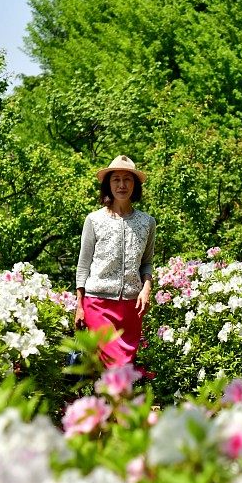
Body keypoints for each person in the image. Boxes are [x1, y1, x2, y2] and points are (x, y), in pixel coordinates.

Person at [74, 155, 156, 369]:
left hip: (132, 308)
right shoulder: (94, 220)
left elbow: (146, 263)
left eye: (127, 179)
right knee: (114, 366)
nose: (121, 185)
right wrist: (79, 305)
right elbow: (83, 266)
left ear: (135, 185)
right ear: (108, 185)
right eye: (116, 179)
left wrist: (146, 289)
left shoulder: (147, 222)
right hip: (98, 304)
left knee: (124, 369)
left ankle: (110, 403)